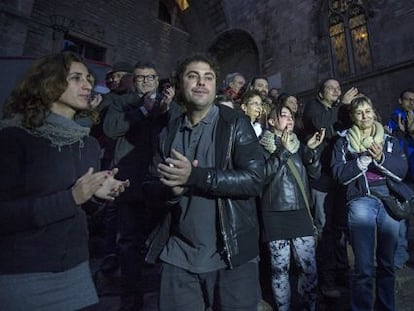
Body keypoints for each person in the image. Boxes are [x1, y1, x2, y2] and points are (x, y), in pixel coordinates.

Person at [0, 51, 129, 310]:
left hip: (76, 272)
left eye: (89, 78)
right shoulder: (15, 138)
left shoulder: (88, 143)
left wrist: (97, 196)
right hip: (24, 273)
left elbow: (81, 212)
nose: (88, 85)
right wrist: (71, 197)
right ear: (49, 83)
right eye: (76, 78)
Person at [145, 54, 265, 310]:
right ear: (179, 85)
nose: (201, 83)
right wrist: (170, 192)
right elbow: (150, 187)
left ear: (215, 86)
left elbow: (255, 180)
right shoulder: (167, 133)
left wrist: (196, 177)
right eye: (193, 76)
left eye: (208, 78)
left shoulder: (235, 123)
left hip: (231, 254)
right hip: (179, 257)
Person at [103, 60, 176, 310]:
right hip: (128, 181)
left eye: (150, 77)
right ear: (133, 81)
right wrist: (143, 111)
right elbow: (111, 128)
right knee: (127, 241)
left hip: (160, 181)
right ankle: (131, 298)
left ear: (158, 80)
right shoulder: (121, 102)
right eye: (140, 77)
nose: (145, 81)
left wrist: (166, 109)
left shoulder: (169, 105)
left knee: (156, 237)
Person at [331, 95, 408, 310]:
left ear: (374, 112)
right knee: (363, 266)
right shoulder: (343, 142)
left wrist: (382, 158)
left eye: (367, 111)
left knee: (387, 263)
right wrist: (362, 159)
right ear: (352, 117)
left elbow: (402, 170)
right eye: (359, 112)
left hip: (389, 199)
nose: (364, 115)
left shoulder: (389, 139)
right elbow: (338, 173)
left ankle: (385, 306)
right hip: (361, 199)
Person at [259, 105, 324, 310]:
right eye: (283, 115)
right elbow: (262, 176)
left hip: (301, 211)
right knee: (280, 269)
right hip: (275, 213)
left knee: (309, 268)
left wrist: (311, 151)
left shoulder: (300, 145)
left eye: (291, 116)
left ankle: (308, 307)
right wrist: (282, 151)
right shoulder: (260, 147)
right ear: (271, 122)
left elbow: (315, 174)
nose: (288, 119)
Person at [302, 78, 359, 297]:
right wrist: (342, 105)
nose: (336, 91)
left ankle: (343, 272)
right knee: (325, 229)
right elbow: (322, 125)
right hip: (321, 179)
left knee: (340, 228)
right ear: (320, 93)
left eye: (338, 87)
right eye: (331, 88)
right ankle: (327, 279)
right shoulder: (313, 108)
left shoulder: (339, 109)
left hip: (339, 177)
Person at [387, 89, 414, 269]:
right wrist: (402, 132)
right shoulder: (394, 119)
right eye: (408, 99)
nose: (411, 103)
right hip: (402, 177)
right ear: (400, 100)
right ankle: (401, 256)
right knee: (402, 217)